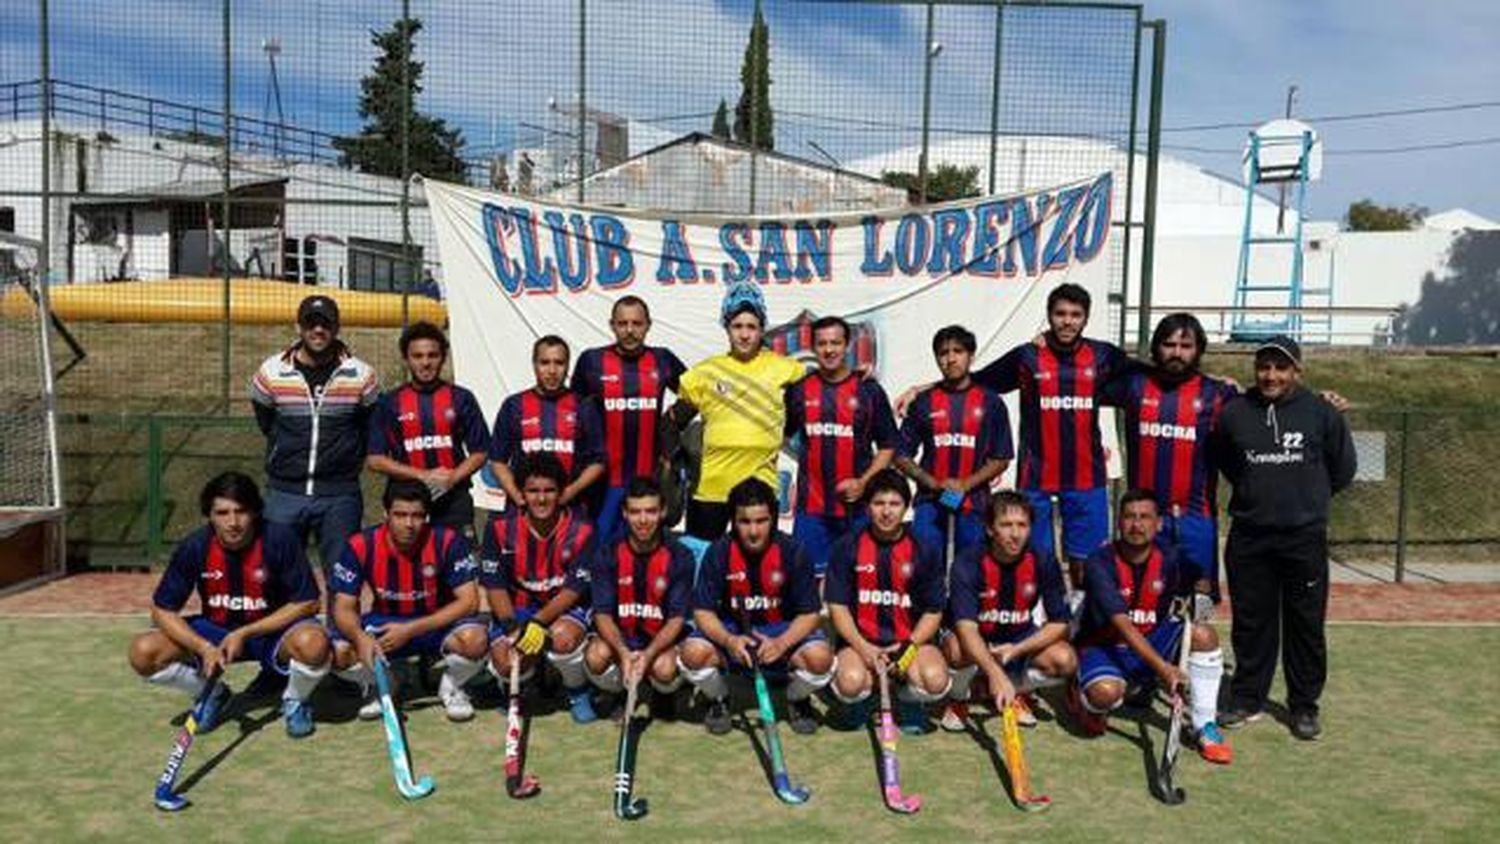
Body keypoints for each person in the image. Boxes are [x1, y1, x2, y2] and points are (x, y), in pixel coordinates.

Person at [1211, 335, 1356, 741]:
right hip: (1250, 537)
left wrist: (1304, 501)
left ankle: (1304, 705)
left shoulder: (1322, 412)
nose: (1271, 375)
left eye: (1280, 367)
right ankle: (1247, 698)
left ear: (1297, 371)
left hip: (1303, 538)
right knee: (1251, 623)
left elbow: (1342, 468)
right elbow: (1226, 461)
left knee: (1305, 625)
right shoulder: (1235, 412)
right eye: (1264, 367)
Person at [128, 472, 331, 738]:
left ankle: (294, 700)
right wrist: (203, 647)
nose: (233, 522)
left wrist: (245, 633)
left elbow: (307, 602)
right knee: (143, 652)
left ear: (255, 512)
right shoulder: (195, 546)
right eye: (222, 513)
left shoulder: (280, 539)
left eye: (241, 511)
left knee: (313, 644)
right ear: (209, 515)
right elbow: (162, 610)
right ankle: (211, 693)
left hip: (273, 633)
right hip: (216, 631)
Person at [971, 283, 1132, 589]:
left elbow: (1150, 374)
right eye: (1060, 314)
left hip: (1086, 478)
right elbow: (977, 382)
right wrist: (923, 389)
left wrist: (1207, 380)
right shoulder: (1027, 357)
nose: (1067, 321)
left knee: (1086, 564)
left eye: (1075, 314)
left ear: (1086, 318)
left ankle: (1080, 622)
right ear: (1049, 316)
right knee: (1036, 561)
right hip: (1036, 480)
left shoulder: (1102, 355)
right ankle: (1040, 621)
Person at [1069, 491, 1231, 764]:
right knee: (1105, 694)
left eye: (1145, 517)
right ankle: (1081, 693)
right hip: (1105, 645)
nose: (1137, 525)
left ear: (1158, 524)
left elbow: (1202, 584)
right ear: (1119, 523)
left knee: (1204, 635)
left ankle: (1204, 726)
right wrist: (1164, 669)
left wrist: (1199, 594)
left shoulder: (1172, 557)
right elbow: (1122, 625)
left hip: (1152, 639)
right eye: (1130, 517)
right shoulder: (1100, 562)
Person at [251, 294, 379, 602]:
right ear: (299, 326)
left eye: (325, 324)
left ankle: (340, 640)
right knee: (279, 572)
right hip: (285, 492)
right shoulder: (271, 372)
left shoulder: (361, 375)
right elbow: (266, 420)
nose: (318, 331)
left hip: (339, 494)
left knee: (342, 577)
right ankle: (283, 641)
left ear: (337, 327)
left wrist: (345, 459)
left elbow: (368, 426)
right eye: (311, 323)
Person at [680, 478, 834, 735]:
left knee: (821, 660)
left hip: (781, 632)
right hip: (733, 633)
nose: (753, 531)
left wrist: (782, 643)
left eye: (761, 521)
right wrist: (729, 641)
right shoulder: (719, 552)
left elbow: (810, 613)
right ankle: (720, 699)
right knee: (691, 654)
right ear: (733, 521)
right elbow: (703, 611)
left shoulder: (793, 551)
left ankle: (796, 698)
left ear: (773, 518)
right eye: (745, 521)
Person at [328, 480, 487, 723]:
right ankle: (384, 683)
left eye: (417, 516)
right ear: (385, 514)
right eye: (400, 515)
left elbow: (469, 602)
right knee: (337, 654)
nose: (409, 524)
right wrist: (360, 638)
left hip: (435, 623)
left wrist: (411, 629)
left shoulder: (447, 541)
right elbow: (343, 606)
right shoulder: (360, 545)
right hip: (385, 623)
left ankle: (452, 686)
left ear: (427, 517)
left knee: (476, 641)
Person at [1099, 313, 1238, 589]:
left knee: (1200, 605)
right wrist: (1049, 345)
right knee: (1141, 599)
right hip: (1143, 519)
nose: (1177, 353)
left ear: (1199, 350)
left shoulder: (1218, 393)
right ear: (1155, 348)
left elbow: (1267, 409)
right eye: (1169, 344)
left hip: (1196, 520)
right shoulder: (1134, 386)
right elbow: (1080, 378)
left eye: (1186, 346)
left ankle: (1198, 626)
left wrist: (1320, 404)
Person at [671, 283, 807, 540]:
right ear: (727, 327)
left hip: (761, 492)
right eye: (737, 326)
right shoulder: (705, 372)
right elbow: (672, 422)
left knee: (757, 571)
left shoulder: (788, 369)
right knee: (703, 565)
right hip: (711, 491)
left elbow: (806, 406)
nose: (744, 335)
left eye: (751, 327)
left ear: (761, 329)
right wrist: (671, 468)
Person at [824, 469, 947, 734]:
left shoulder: (925, 549)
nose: (886, 512)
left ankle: (906, 700)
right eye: (879, 503)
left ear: (907, 507)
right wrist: (863, 647)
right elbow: (838, 606)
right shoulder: (848, 546)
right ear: (867, 506)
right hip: (860, 644)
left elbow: (934, 610)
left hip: (908, 643)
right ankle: (866, 699)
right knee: (850, 682)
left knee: (934, 680)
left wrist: (909, 647)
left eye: (894, 504)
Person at [480, 454, 600, 723]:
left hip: (563, 608)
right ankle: (518, 688)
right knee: (507, 659)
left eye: (549, 491)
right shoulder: (498, 529)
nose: (542, 499)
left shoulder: (583, 530)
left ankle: (577, 690)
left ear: (561, 493)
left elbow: (573, 590)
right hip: (518, 607)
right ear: (521, 494)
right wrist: (512, 626)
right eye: (533, 491)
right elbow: (495, 585)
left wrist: (538, 622)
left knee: (562, 638)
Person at [943, 491, 1076, 731]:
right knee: (955, 650)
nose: (1015, 534)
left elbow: (1060, 623)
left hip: (1016, 638)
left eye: (1022, 525)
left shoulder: (1043, 559)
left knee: (1065, 659)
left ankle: (1017, 693)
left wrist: (1015, 650)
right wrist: (994, 671)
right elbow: (965, 628)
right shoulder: (968, 562)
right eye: (1006, 525)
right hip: (974, 638)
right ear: (990, 529)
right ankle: (958, 699)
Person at [783, 316, 899, 578]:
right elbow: (779, 435)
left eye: (835, 342)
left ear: (847, 345)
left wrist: (864, 481)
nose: (829, 350)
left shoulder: (869, 391)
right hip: (811, 508)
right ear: (813, 348)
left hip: (857, 509)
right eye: (822, 343)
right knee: (809, 586)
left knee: (860, 583)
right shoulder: (799, 391)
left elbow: (888, 446)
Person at [895, 325, 1013, 570]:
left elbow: (1001, 458)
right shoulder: (923, 402)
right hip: (930, 498)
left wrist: (965, 485)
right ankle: (930, 609)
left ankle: (963, 610)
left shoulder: (991, 402)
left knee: (970, 569)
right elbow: (901, 455)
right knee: (925, 567)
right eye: (943, 353)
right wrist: (932, 483)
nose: (950, 358)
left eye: (957, 351)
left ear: (971, 355)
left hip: (974, 500)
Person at [572, 296, 687, 545]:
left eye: (637, 323)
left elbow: (695, 396)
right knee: (599, 550)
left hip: (648, 481)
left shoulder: (663, 359)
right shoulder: (591, 361)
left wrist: (672, 422)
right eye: (623, 323)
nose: (630, 330)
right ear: (612, 325)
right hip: (602, 484)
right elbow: (573, 413)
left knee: (644, 552)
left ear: (648, 325)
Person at [585, 477, 696, 720]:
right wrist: (624, 652)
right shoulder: (607, 553)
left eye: (651, 511)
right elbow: (602, 613)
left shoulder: (680, 556)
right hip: (623, 639)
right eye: (635, 512)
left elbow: (677, 618)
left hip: (660, 641)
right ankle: (618, 691)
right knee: (595, 657)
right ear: (624, 513)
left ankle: (663, 693)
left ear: (663, 511)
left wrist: (648, 655)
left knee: (664, 670)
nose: (643, 520)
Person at [367, 321, 490, 539]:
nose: (425, 363)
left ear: (443, 357)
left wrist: (451, 479)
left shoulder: (462, 398)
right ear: (406, 359)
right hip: (406, 503)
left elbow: (480, 451)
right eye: (418, 356)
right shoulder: (389, 403)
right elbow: (375, 460)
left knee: (462, 568)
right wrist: (424, 476)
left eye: (432, 355)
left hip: (454, 501)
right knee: (407, 570)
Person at [487, 335, 606, 514]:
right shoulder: (514, 405)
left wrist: (570, 492)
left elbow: (598, 462)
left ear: (567, 366)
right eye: (545, 362)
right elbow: (497, 460)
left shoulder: (584, 406)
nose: (552, 370)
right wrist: (518, 496)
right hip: (524, 510)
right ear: (534, 364)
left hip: (570, 508)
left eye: (559, 363)